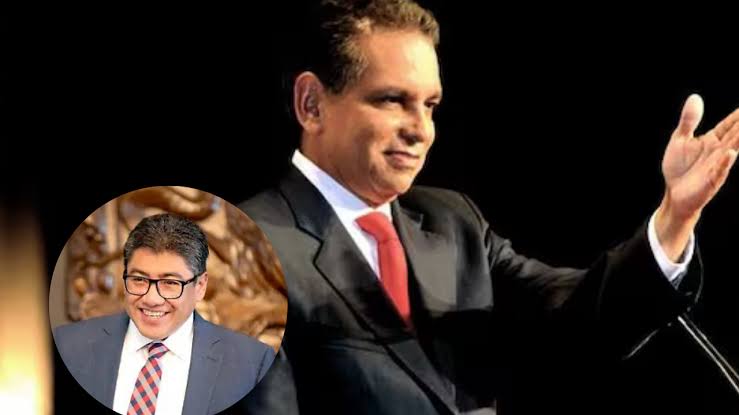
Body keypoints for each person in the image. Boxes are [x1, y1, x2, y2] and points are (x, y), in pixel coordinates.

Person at [238, 1, 739, 413]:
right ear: (312, 104)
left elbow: (579, 319)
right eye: (392, 100)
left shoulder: (453, 222)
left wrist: (674, 218)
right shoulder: (241, 250)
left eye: (430, 105)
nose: (420, 130)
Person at [53, 213, 276, 415]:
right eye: (139, 280)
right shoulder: (67, 346)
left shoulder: (252, 364)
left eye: (170, 283)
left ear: (200, 286)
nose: (152, 299)